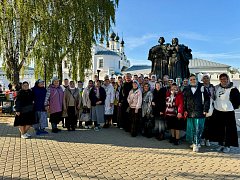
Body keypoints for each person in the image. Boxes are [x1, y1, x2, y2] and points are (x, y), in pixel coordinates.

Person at [212, 73, 240, 153]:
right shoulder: (217, 88)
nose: (223, 80)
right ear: (219, 80)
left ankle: (227, 145)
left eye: (225, 79)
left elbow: (238, 100)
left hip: (228, 112)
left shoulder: (233, 88)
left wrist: (232, 106)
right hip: (218, 111)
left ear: (228, 79)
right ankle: (220, 144)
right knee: (219, 129)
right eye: (221, 79)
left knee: (229, 130)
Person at [184, 74, 210, 152]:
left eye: (194, 79)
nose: (192, 81)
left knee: (198, 129)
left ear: (197, 80)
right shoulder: (186, 89)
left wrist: (205, 109)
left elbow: (207, 99)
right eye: (191, 79)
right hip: (190, 112)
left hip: (200, 112)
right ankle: (194, 142)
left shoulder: (202, 88)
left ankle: (196, 143)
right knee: (191, 129)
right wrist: (185, 110)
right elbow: (185, 100)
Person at [200, 74, 214, 147]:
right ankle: (202, 138)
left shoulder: (213, 87)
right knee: (203, 124)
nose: (205, 79)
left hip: (211, 107)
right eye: (204, 78)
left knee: (209, 125)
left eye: (207, 78)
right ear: (202, 80)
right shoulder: (200, 87)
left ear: (209, 79)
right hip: (203, 107)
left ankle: (207, 139)